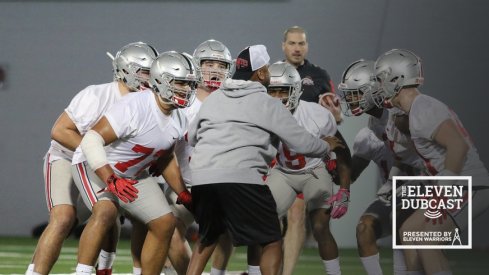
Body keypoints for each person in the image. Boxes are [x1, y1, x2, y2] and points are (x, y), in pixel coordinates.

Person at [185, 44, 344, 275]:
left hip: (202, 179)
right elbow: (302, 143)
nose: (269, 73)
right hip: (241, 177)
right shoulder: (267, 103)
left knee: (207, 238)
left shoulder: (214, 98)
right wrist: (325, 146)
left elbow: (192, 137)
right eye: (267, 68)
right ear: (260, 73)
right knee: (271, 240)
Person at [25, 42, 158, 275]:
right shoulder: (97, 94)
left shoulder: (148, 102)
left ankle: (104, 269)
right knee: (64, 218)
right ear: (126, 70)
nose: (150, 78)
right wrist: (95, 152)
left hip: (105, 165)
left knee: (108, 212)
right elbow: (60, 131)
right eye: (145, 72)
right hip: (66, 157)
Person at [71, 51, 197, 275]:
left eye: (189, 85)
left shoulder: (179, 118)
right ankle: (81, 272)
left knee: (165, 223)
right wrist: (110, 178)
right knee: (106, 211)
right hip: (94, 166)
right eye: (181, 83)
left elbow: (166, 157)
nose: (187, 90)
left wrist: (183, 192)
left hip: (132, 176)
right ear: (161, 80)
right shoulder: (135, 105)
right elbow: (91, 140)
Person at [373, 49, 489, 275]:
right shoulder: (414, 109)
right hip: (461, 185)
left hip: (470, 185)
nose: (379, 85)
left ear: (397, 78)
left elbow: (458, 145)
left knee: (427, 241)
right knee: (409, 231)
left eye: (381, 79)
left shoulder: (422, 108)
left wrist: (448, 180)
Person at [339, 59, 427, 275]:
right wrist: (327, 159)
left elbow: (419, 159)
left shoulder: (402, 116)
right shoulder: (367, 136)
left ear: (374, 90)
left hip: (428, 192)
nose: (351, 99)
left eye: (356, 93)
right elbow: (348, 175)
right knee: (364, 227)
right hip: (395, 197)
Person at [263, 61, 350, 275]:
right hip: (283, 172)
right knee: (262, 223)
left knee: (320, 226)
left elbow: (343, 150)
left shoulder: (317, 114)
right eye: (272, 92)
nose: (277, 98)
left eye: (282, 91)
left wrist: (345, 190)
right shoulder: (261, 114)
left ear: (296, 91)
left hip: (313, 171)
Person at [161, 39, 236, 275]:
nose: (215, 70)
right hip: (184, 183)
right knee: (168, 229)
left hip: (222, 183)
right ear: (196, 65)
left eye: (221, 65)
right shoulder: (181, 102)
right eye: (209, 63)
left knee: (224, 231)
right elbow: (165, 146)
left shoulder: (236, 102)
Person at [280, 25, 344, 275]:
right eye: (293, 43)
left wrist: (337, 117)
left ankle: (285, 273)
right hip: (275, 151)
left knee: (297, 213)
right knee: (268, 213)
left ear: (307, 46)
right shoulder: (272, 73)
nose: (297, 48)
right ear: (283, 45)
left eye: (302, 43)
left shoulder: (318, 75)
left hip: (305, 156)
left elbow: (334, 118)